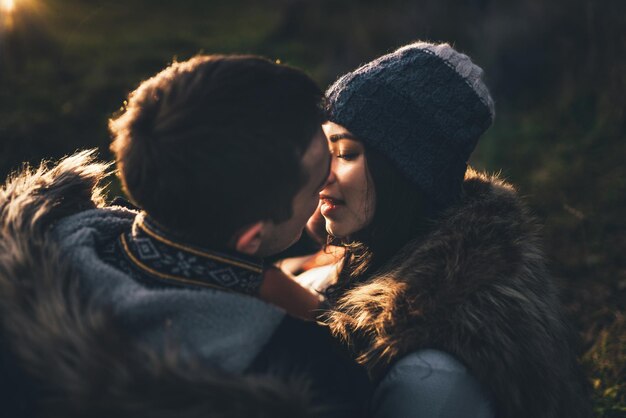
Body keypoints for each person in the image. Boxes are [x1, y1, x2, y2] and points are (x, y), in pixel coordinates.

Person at [0, 55, 370, 417]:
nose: (328, 185)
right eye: (315, 183)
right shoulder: (311, 377)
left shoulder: (28, 255)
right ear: (250, 238)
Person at [305, 42, 591, 418]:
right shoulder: (396, 252)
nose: (320, 174)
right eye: (324, 150)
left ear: (406, 171)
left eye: (346, 154)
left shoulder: (432, 379)